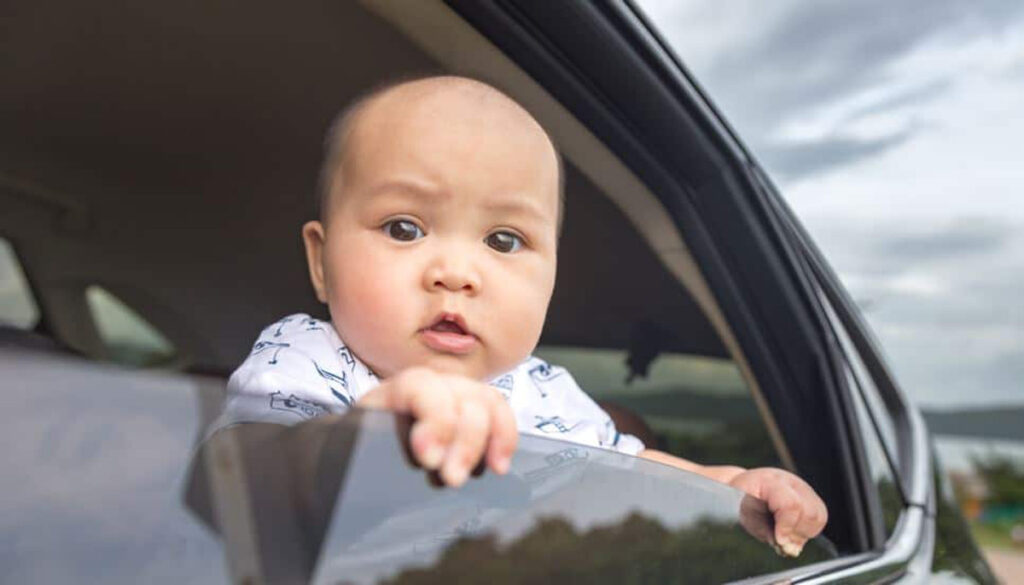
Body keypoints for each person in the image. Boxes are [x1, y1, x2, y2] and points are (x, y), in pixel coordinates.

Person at [214, 75, 826, 557]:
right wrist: (360, 442)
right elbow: (234, 487)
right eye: (405, 228)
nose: (456, 272)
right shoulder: (307, 355)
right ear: (322, 263)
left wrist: (731, 485)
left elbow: (630, 463)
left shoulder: (542, 389)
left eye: (503, 241)